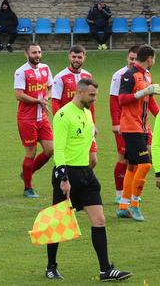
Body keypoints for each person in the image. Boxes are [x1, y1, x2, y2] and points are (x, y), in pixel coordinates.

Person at [46, 78, 132, 282]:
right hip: (68, 175)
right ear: (80, 92)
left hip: (86, 174)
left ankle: (105, 270)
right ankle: (51, 267)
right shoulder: (63, 115)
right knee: (58, 224)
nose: (94, 99)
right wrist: (63, 178)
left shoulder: (86, 113)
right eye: (92, 95)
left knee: (99, 220)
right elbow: (58, 149)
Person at [109, 46, 159, 203]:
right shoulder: (128, 75)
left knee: (133, 165)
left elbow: (150, 100)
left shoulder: (147, 75)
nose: (154, 61)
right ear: (149, 58)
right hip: (131, 127)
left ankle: (124, 203)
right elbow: (121, 99)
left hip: (143, 127)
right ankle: (134, 202)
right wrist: (143, 92)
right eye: (154, 58)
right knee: (145, 164)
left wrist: (159, 115)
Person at [14, 43, 54, 198]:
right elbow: (19, 94)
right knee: (31, 152)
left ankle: (27, 173)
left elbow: (51, 88)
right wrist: (38, 102)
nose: (37, 55)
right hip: (27, 118)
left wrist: (46, 97)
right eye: (34, 52)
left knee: (50, 150)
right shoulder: (21, 72)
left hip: (42, 117)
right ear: (26, 54)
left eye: (39, 52)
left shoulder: (45, 68)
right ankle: (28, 187)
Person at [51, 45, 94, 168]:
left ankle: (83, 179)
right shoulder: (60, 77)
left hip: (85, 122)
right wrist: (58, 121)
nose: (76, 59)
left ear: (84, 58)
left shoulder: (88, 76)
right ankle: (65, 179)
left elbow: (91, 102)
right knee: (68, 157)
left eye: (79, 57)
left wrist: (93, 123)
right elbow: (55, 102)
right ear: (69, 56)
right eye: (74, 56)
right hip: (68, 122)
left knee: (93, 159)